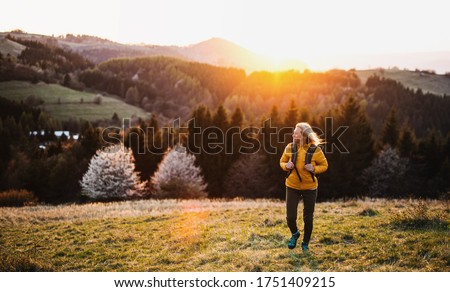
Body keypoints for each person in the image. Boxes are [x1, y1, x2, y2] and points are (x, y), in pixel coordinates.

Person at [279, 122, 328, 251]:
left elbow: (324, 165)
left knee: (308, 218)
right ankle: (295, 234)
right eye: (294, 131)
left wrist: (314, 168)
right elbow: (282, 161)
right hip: (292, 186)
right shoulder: (289, 147)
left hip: (310, 188)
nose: (293, 133)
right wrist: (286, 166)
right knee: (290, 217)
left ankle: (305, 243)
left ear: (304, 135)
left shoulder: (315, 150)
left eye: (296, 132)